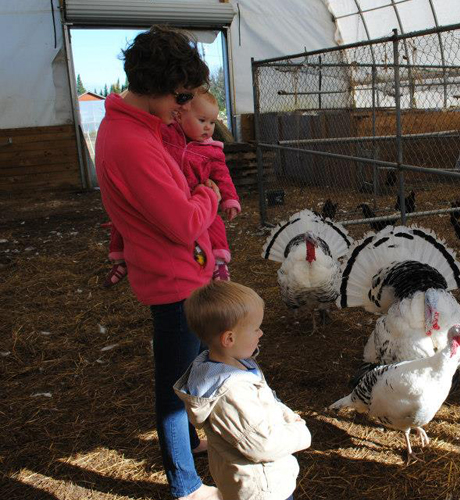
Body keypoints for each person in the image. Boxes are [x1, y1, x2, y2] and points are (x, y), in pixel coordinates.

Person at [96, 26, 221, 500]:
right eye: (180, 94)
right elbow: (183, 223)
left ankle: (190, 451)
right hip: (173, 282)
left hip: (178, 273)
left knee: (186, 378)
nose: (185, 106)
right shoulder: (132, 142)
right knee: (175, 390)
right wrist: (207, 194)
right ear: (155, 86)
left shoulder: (140, 129)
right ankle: (185, 485)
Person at [175, 281, 311, 500]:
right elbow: (261, 445)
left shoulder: (234, 365)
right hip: (261, 488)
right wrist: (300, 433)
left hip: (258, 479)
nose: (261, 333)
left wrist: (285, 415)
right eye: (256, 328)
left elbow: (268, 400)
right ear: (229, 338)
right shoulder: (230, 392)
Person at [104, 89, 240, 286]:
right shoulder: (167, 133)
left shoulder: (212, 150)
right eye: (202, 120)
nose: (208, 128)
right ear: (180, 114)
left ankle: (219, 261)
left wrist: (229, 198)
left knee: (214, 223)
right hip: (169, 194)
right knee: (120, 222)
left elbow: (222, 175)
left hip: (194, 197)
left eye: (212, 122)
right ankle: (119, 259)